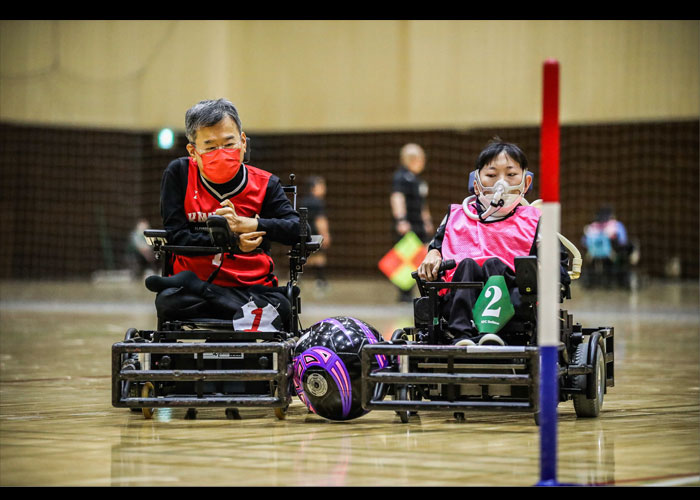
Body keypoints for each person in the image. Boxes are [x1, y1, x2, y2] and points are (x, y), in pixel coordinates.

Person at [145, 98, 305, 331]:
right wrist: (233, 243)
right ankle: (221, 301)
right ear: (193, 150)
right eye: (210, 147)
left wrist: (250, 223)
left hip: (251, 287)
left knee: (280, 305)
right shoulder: (178, 174)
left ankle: (210, 296)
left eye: (229, 144)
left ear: (242, 142)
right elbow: (176, 236)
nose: (221, 153)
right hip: (192, 289)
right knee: (169, 302)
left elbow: (300, 229)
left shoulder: (265, 183)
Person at [417, 139, 571, 346]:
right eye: (491, 175)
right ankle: (461, 336)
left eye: (511, 174)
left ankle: (490, 332)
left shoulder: (535, 221)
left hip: (516, 302)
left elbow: (560, 269)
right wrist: (433, 254)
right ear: (476, 183)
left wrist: (545, 268)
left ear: (526, 182)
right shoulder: (456, 216)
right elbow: (437, 247)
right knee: (468, 265)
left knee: (493, 264)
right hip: (457, 298)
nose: (501, 183)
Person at [390, 143, 433, 301]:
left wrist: (426, 220)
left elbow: (422, 203)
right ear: (411, 159)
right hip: (407, 225)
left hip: (419, 224)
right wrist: (401, 220)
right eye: (421, 158)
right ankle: (404, 295)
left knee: (423, 255)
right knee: (405, 260)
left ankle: (424, 291)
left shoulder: (417, 180)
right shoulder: (401, 177)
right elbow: (397, 198)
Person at [582, 206, 634, 288]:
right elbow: (623, 241)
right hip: (608, 255)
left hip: (596, 255)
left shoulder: (592, 227)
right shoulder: (616, 226)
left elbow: (584, 242)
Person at [300, 176, 331, 294]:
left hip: (304, 234)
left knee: (306, 258)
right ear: (313, 188)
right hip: (315, 235)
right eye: (321, 186)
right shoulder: (318, 202)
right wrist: (325, 235)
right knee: (320, 258)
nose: (324, 188)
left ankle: (296, 278)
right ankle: (320, 282)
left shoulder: (304, 201)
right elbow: (320, 220)